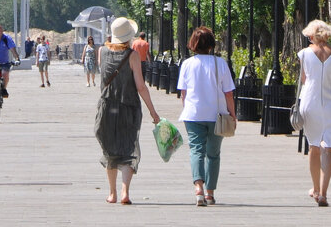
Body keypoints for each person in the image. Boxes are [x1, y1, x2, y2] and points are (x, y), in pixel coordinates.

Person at [94, 17, 161, 205]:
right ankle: (125, 192)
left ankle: (112, 193)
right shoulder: (132, 56)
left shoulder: (102, 51)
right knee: (128, 149)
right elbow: (140, 86)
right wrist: (153, 112)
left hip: (107, 106)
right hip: (128, 107)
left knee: (110, 150)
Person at [176, 26, 237, 206]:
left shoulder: (187, 64)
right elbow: (228, 94)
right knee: (213, 154)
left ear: (193, 44)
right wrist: (233, 114)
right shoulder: (220, 63)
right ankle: (210, 193)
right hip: (216, 115)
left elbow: (183, 93)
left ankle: (198, 188)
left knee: (196, 150)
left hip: (193, 114)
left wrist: (187, 108)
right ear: (211, 45)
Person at [297, 19, 331, 206]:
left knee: (313, 146)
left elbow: (304, 80)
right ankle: (324, 193)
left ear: (312, 35)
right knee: (328, 148)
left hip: (310, 102)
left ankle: (315, 188)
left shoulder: (304, 54)